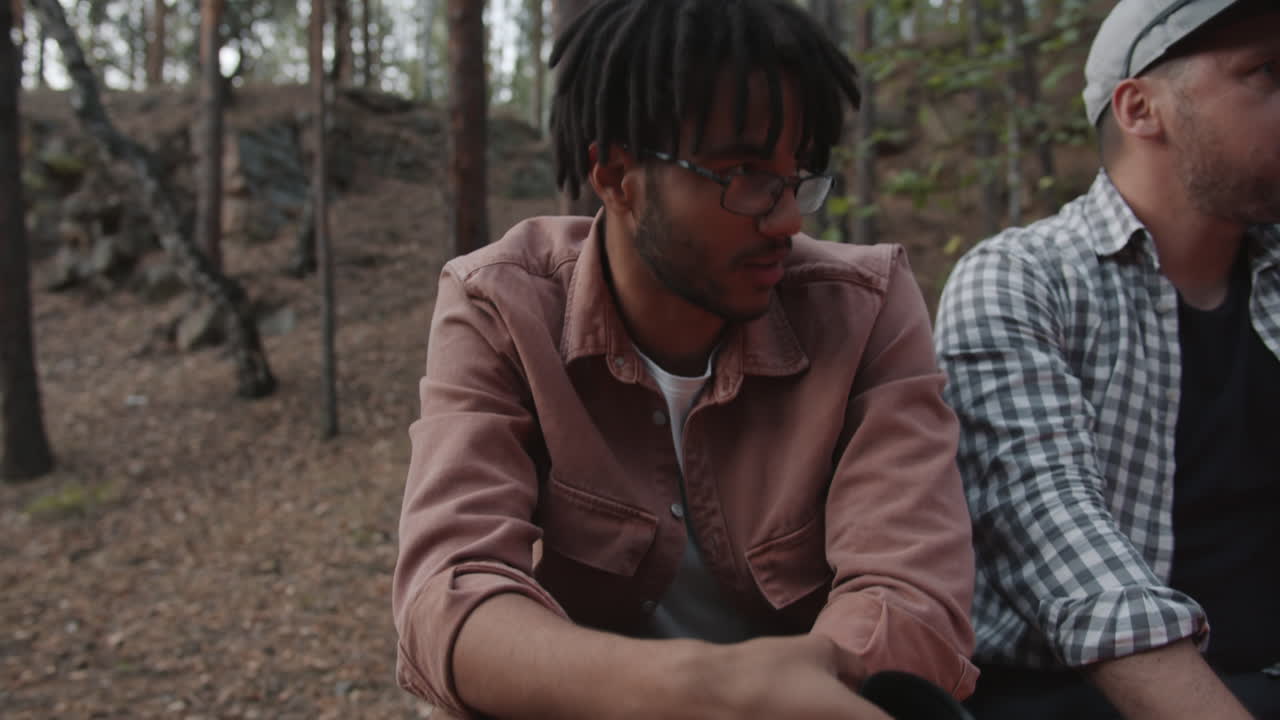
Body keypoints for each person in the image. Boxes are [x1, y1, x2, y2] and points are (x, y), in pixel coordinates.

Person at [392, 1, 979, 718]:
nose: (789, 218)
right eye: (745, 174)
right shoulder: (504, 307)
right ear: (617, 175)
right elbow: (451, 596)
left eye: (797, 175)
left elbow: (909, 595)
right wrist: (703, 689)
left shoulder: (864, 308)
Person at [934, 0, 1280, 718]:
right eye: (1267, 72)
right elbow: (1057, 539)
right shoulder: (1023, 280)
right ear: (1140, 109)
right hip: (1082, 694)